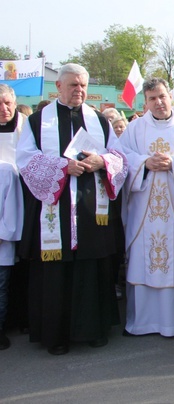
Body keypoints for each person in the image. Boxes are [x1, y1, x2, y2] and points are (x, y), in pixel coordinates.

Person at [16, 63, 127, 355]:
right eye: (73, 85)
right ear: (59, 87)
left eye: (83, 85)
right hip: (56, 208)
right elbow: (26, 160)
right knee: (56, 272)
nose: (79, 90)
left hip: (92, 209)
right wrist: (63, 166)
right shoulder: (38, 121)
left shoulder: (100, 121)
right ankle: (57, 336)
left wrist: (103, 162)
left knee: (92, 267)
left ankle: (93, 330)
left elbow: (119, 157)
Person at [119, 78, 174, 337]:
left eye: (162, 96)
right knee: (144, 260)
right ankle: (142, 323)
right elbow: (120, 159)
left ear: (171, 96)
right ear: (146, 101)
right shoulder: (134, 129)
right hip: (144, 209)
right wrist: (144, 163)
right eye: (152, 98)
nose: (158, 102)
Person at [0, 84, 25, 350]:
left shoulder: (25, 127)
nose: (4, 109)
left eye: (8, 103)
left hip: (24, 201)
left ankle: (20, 317)